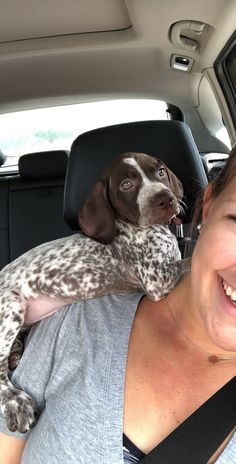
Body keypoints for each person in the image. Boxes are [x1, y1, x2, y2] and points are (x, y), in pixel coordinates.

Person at [0, 148, 236, 464]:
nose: (159, 191)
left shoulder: (156, 238)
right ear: (208, 205)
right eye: (127, 185)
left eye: (160, 173)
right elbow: (160, 286)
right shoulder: (72, 324)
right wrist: (198, 264)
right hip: (14, 297)